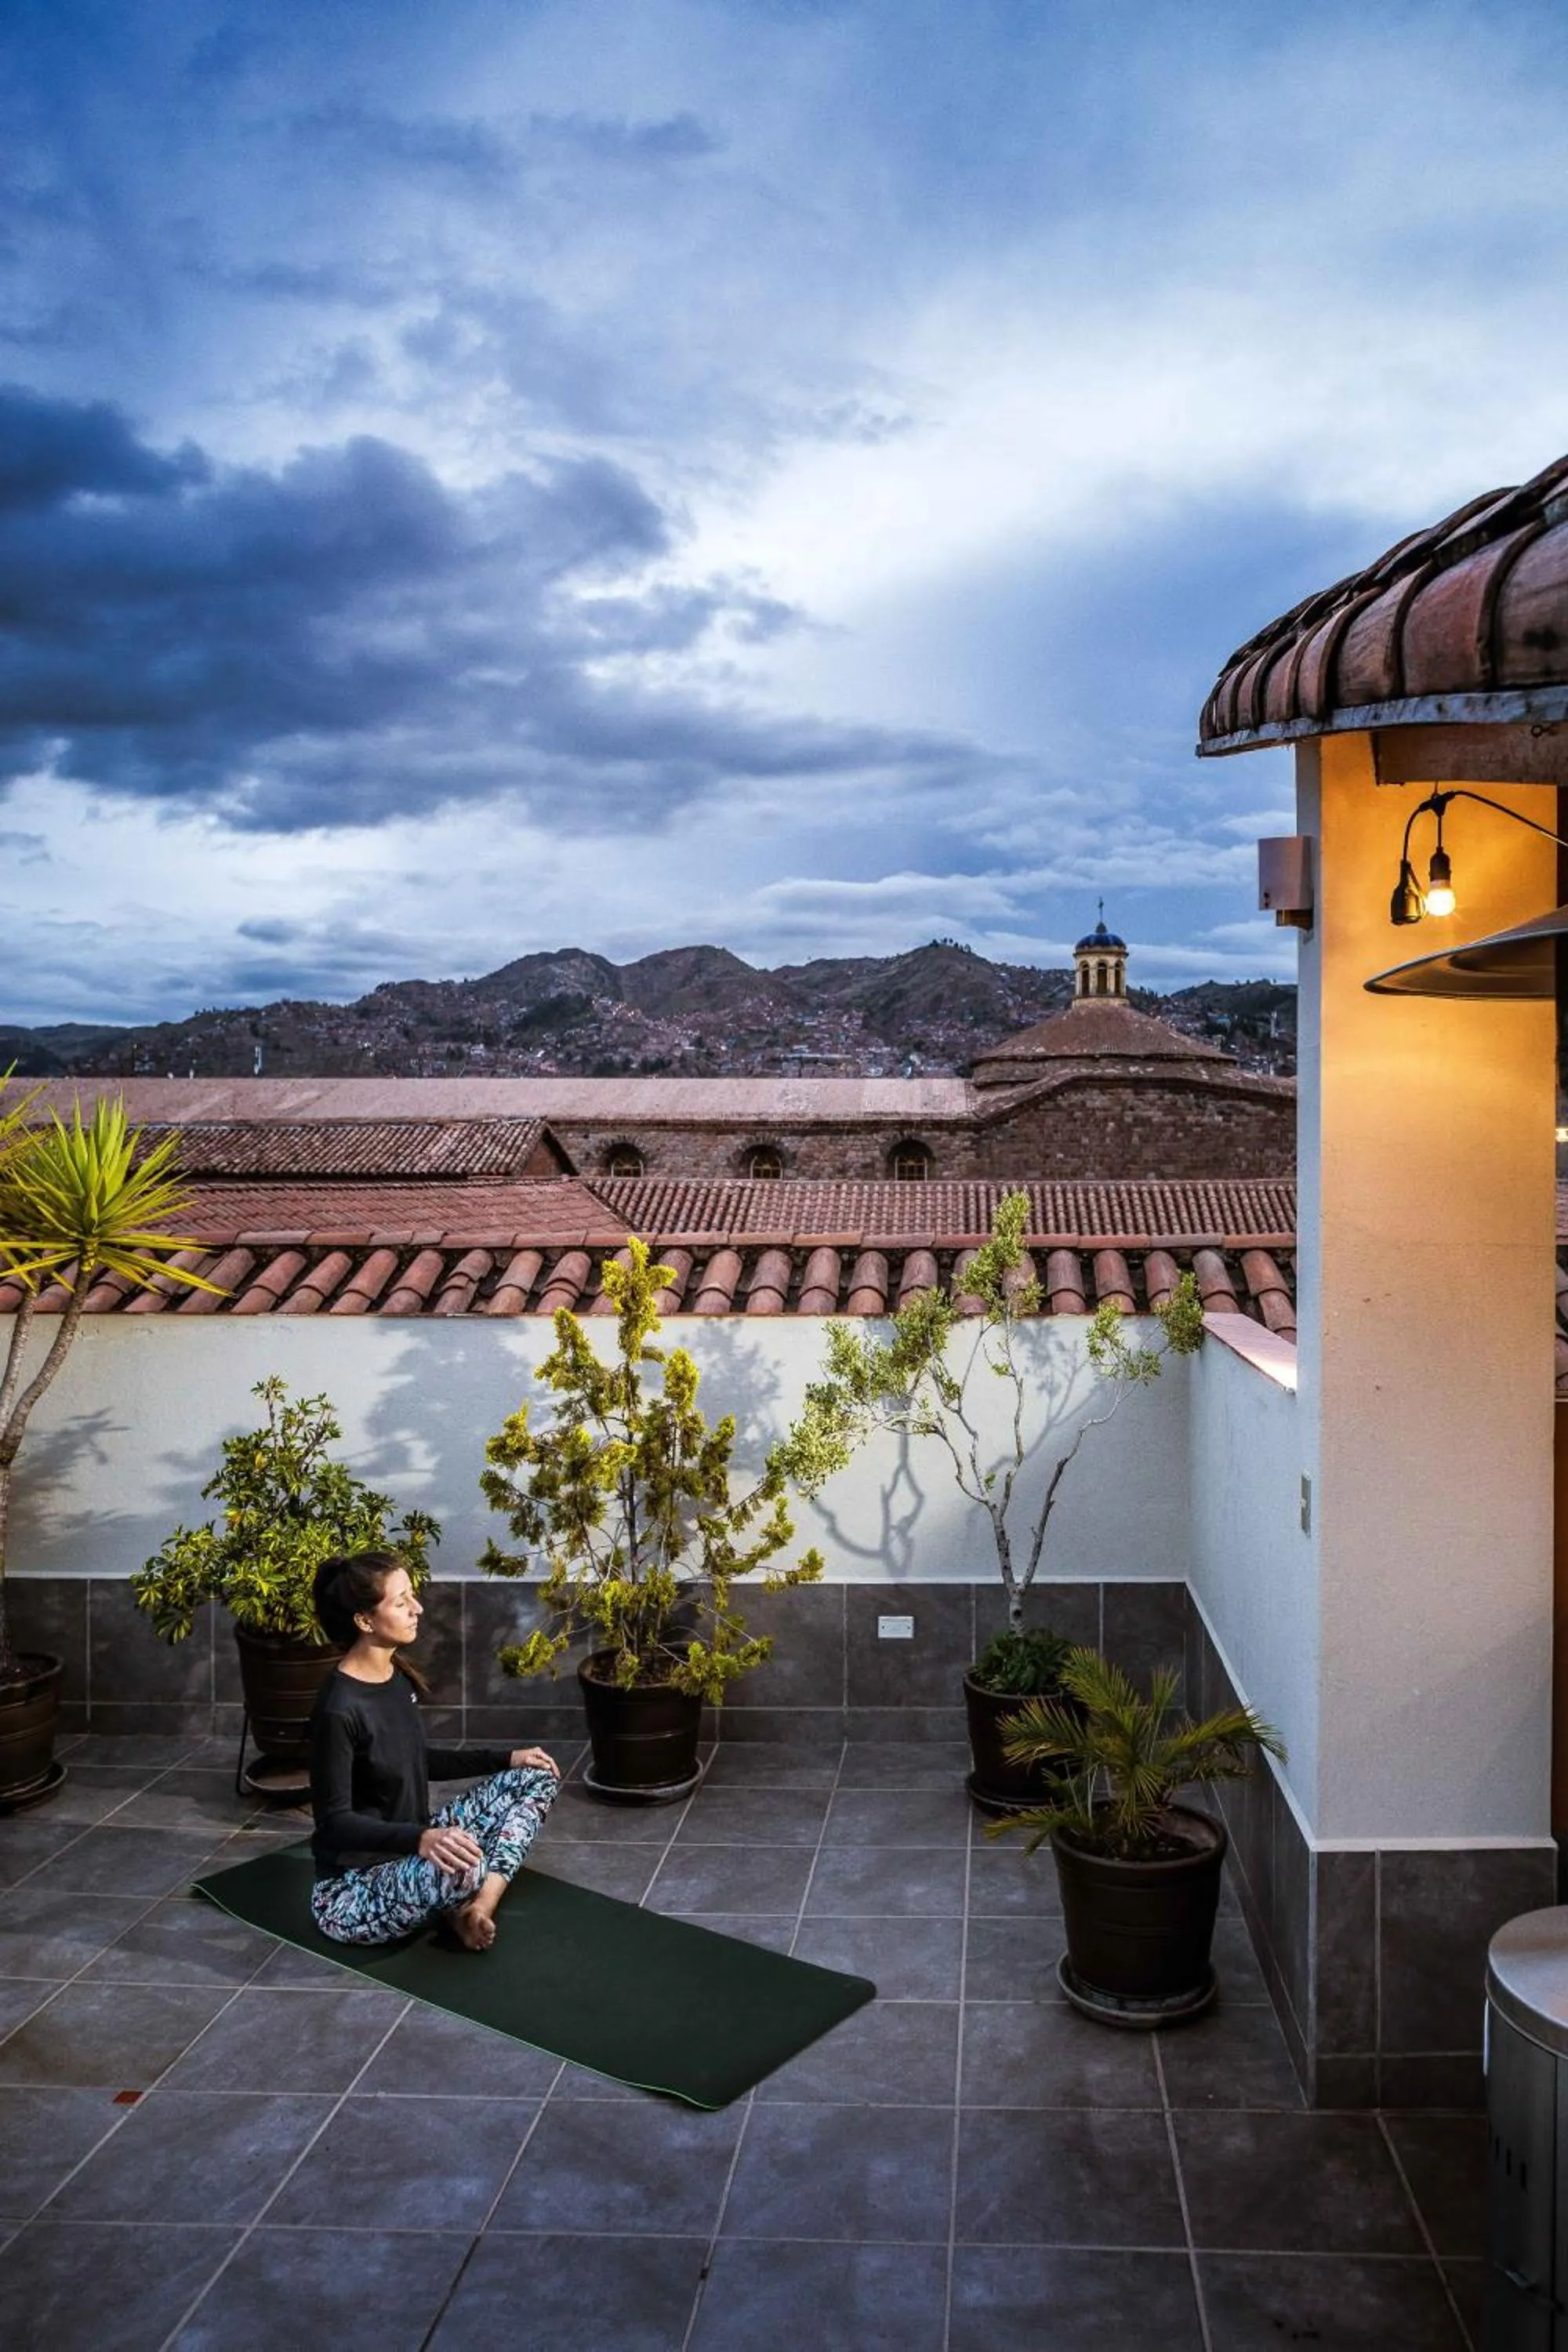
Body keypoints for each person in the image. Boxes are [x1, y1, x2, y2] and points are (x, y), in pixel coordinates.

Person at [307, 1548, 560, 1951]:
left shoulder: (395, 1677)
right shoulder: (338, 1709)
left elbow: (416, 1760)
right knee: (465, 1865)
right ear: (365, 1620)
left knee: (536, 1777)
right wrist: (422, 1838)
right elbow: (334, 1822)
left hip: (411, 1852)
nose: (418, 1608)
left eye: (413, 1595)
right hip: (353, 1891)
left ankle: (477, 1910)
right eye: (401, 1601)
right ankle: (456, 1907)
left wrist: (505, 1759)